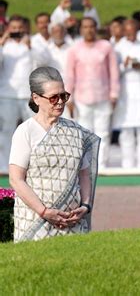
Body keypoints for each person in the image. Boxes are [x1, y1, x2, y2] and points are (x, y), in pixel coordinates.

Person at [8, 66, 100, 242]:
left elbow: (84, 173)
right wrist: (44, 212)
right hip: (35, 221)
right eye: (53, 98)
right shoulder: (25, 132)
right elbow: (16, 179)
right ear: (36, 98)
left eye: (63, 96)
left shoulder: (76, 131)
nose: (60, 102)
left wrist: (86, 205)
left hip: (72, 222)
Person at [66, 17, 120, 169]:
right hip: (82, 98)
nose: (89, 30)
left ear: (96, 28)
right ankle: (86, 168)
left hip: (103, 96)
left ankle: (102, 166)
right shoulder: (74, 49)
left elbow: (114, 72)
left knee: (103, 132)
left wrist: (114, 94)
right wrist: (68, 97)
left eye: (91, 27)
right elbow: (70, 74)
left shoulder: (106, 47)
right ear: (81, 29)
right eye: (85, 27)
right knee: (84, 134)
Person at [0, 15, 49, 172]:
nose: (17, 31)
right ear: (8, 29)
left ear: (25, 28)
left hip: (29, 94)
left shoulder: (33, 43)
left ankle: (34, 165)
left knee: (33, 129)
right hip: (7, 94)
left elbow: (44, 62)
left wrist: (30, 47)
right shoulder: (4, 46)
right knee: (7, 130)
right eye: (13, 28)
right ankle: (4, 165)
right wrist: (2, 42)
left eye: (20, 28)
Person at [113, 20, 140, 168]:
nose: (131, 33)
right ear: (123, 31)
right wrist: (124, 65)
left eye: (133, 30)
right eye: (128, 30)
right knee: (126, 131)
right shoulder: (117, 48)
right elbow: (113, 71)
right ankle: (127, 164)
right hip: (125, 92)